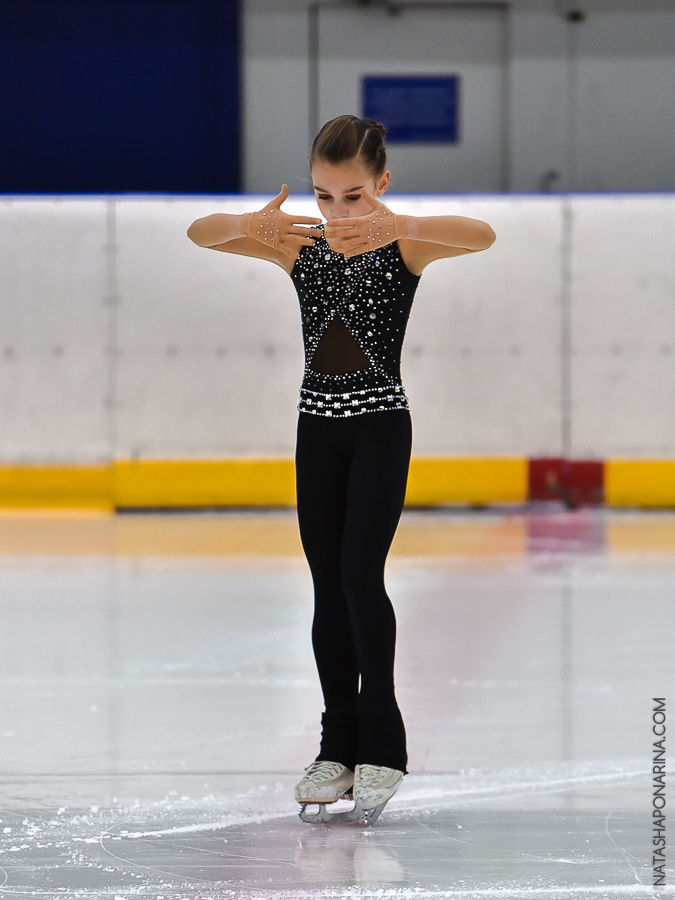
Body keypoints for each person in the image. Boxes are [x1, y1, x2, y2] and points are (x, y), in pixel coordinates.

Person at [187, 115, 495, 821]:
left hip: (380, 427)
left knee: (360, 574)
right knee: (327, 583)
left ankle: (382, 744)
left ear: (380, 184)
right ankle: (336, 747)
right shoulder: (300, 247)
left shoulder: (404, 242)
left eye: (353, 196)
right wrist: (246, 223)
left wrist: (399, 224)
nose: (338, 211)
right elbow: (199, 234)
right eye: (325, 196)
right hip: (315, 431)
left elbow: (483, 236)